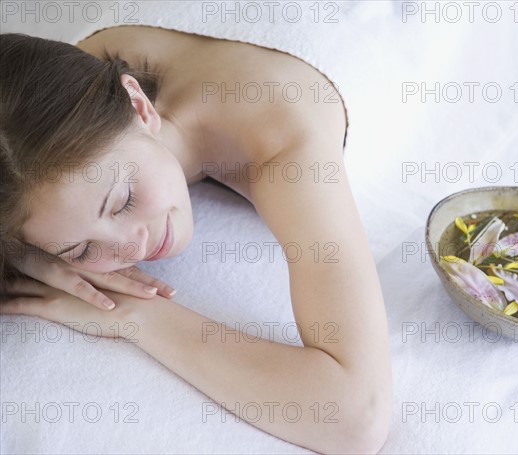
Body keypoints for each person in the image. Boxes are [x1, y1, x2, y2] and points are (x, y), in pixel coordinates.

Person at [0, 26, 392, 454]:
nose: (130, 251)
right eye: (81, 250)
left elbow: (355, 416)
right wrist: (25, 254)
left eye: (123, 201)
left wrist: (132, 315)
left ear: (138, 105)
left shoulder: (287, 147)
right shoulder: (33, 116)